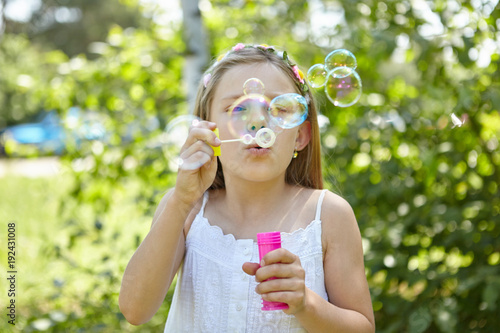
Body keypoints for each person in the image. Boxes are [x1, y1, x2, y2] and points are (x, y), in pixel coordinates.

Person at [119, 44, 375, 332]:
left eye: (278, 108)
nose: (257, 122)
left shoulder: (327, 215)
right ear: (207, 129)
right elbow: (134, 310)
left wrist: (306, 304)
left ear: (300, 136)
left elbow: (362, 328)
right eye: (237, 109)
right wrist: (180, 200)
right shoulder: (186, 209)